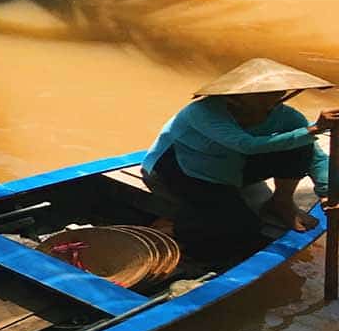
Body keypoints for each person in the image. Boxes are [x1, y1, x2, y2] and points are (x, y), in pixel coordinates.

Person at [142, 58, 339, 266]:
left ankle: (281, 202)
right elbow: (246, 145)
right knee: (243, 227)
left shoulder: (284, 116)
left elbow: (314, 155)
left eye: (275, 95)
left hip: (232, 166)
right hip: (184, 169)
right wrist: (315, 129)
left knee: (300, 146)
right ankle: (173, 228)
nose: (270, 102)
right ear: (236, 98)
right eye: (260, 96)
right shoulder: (202, 112)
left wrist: (329, 192)